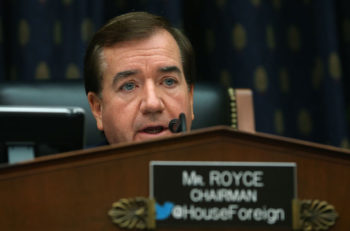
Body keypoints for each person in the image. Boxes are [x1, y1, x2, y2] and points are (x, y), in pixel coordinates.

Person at [84, 11, 195, 144]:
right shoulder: (69, 165)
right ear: (98, 109)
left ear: (190, 99)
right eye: (129, 86)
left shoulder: (222, 159)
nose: (152, 104)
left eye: (168, 81)